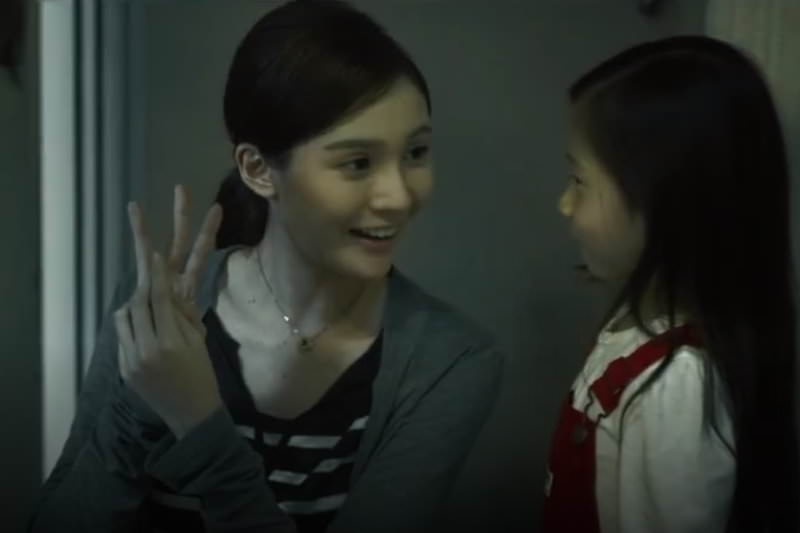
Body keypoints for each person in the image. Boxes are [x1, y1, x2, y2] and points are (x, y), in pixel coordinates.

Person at [28, 1, 504, 532]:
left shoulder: (450, 361)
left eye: (415, 153)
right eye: (357, 163)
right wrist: (140, 405)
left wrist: (199, 422)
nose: (398, 196)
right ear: (257, 170)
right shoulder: (159, 317)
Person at [542, 35, 799, 533]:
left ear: (667, 201)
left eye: (579, 181)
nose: (564, 204)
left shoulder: (676, 389)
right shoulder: (637, 325)